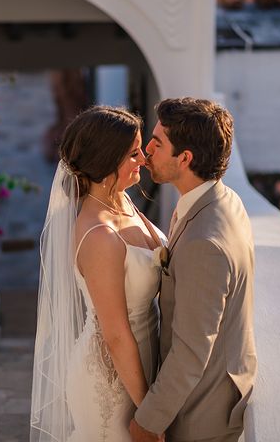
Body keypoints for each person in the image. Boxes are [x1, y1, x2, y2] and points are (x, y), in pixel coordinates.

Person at [30, 106, 166, 441]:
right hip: (110, 381)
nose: (144, 159)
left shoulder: (123, 201)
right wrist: (148, 414)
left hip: (145, 360)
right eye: (134, 153)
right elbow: (115, 333)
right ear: (108, 161)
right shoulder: (99, 236)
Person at [129, 97, 257, 442]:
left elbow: (191, 349)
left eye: (157, 144)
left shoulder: (205, 244)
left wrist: (148, 422)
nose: (146, 153)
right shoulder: (220, 199)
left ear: (185, 158)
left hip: (202, 414)